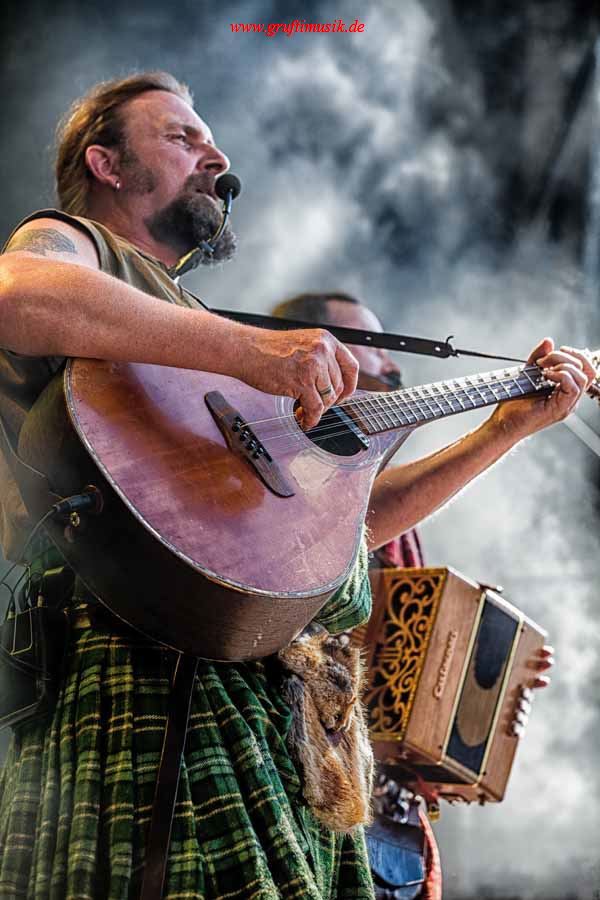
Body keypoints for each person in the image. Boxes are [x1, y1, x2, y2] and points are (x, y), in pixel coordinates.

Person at [0, 72, 592, 900]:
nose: (216, 157)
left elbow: (338, 532)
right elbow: (17, 295)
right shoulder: (75, 244)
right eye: (182, 138)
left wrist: (505, 429)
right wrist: (248, 350)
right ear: (106, 163)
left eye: (212, 141)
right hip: (143, 662)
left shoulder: (180, 339)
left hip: (265, 700)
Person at [271, 291, 556, 900]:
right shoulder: (286, 474)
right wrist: (504, 428)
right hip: (308, 804)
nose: (395, 366)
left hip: (390, 827)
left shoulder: (391, 504)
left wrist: (488, 702)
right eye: (377, 348)